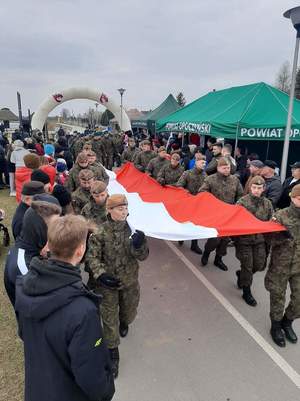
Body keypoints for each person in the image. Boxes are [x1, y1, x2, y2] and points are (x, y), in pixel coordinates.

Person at [14, 215, 115, 401]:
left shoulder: (24, 286)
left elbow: (24, 333)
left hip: (38, 390)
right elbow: (91, 376)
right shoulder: (83, 310)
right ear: (80, 250)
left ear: (49, 244)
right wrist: (107, 390)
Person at [86, 194, 149, 378]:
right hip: (108, 286)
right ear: (110, 210)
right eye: (120, 209)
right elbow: (92, 257)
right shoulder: (100, 233)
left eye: (126, 208)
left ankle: (125, 321)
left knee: (129, 313)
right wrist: (101, 275)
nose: (124, 212)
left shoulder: (134, 231)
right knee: (109, 321)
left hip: (129, 282)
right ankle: (113, 354)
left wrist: (139, 245)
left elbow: (143, 256)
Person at [4, 195, 61, 306]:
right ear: (40, 229)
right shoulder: (23, 266)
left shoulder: (28, 244)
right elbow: (46, 302)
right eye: (53, 226)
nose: (57, 230)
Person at [265, 184, 300, 348]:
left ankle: (288, 322)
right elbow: (268, 239)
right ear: (293, 197)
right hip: (281, 265)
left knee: (299, 299)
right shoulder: (280, 215)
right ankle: (276, 326)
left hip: (299, 266)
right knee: (278, 296)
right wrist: (281, 236)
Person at [234, 176, 273, 306]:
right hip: (244, 241)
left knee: (259, 265)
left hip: (260, 240)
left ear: (263, 189)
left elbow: (270, 221)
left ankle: (242, 275)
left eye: (259, 188)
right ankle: (247, 292)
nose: (256, 190)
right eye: (254, 187)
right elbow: (234, 219)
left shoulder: (267, 204)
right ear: (250, 187)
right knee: (248, 265)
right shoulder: (242, 202)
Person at [199, 157, 243, 271]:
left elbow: (240, 195)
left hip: (229, 214)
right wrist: (212, 204)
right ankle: (206, 253)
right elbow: (202, 192)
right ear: (218, 168)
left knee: (225, 239)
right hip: (215, 214)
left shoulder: (235, 180)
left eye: (228, 168)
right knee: (214, 238)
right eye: (224, 168)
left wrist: (237, 206)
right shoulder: (210, 179)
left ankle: (218, 259)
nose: (227, 170)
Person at [176, 154, 207, 254]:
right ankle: (181, 237)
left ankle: (194, 244)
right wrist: (187, 194)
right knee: (185, 222)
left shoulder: (205, 175)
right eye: (202, 162)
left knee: (196, 224)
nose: (204, 164)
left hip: (199, 204)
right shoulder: (187, 173)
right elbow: (179, 185)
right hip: (187, 203)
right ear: (196, 162)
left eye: (205, 163)